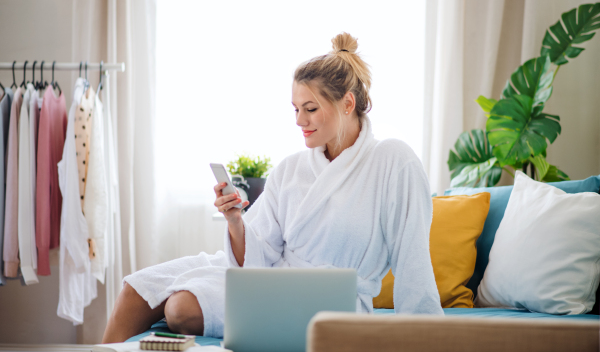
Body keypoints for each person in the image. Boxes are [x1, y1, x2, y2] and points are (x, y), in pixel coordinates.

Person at [102, 32, 443, 343]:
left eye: (310, 109)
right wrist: (236, 220)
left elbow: (413, 259)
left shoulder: (394, 161)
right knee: (137, 288)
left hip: (332, 303)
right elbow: (259, 253)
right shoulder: (292, 167)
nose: (299, 121)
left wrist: (425, 337)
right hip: (269, 280)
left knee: (179, 309)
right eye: (295, 109)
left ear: (347, 104)